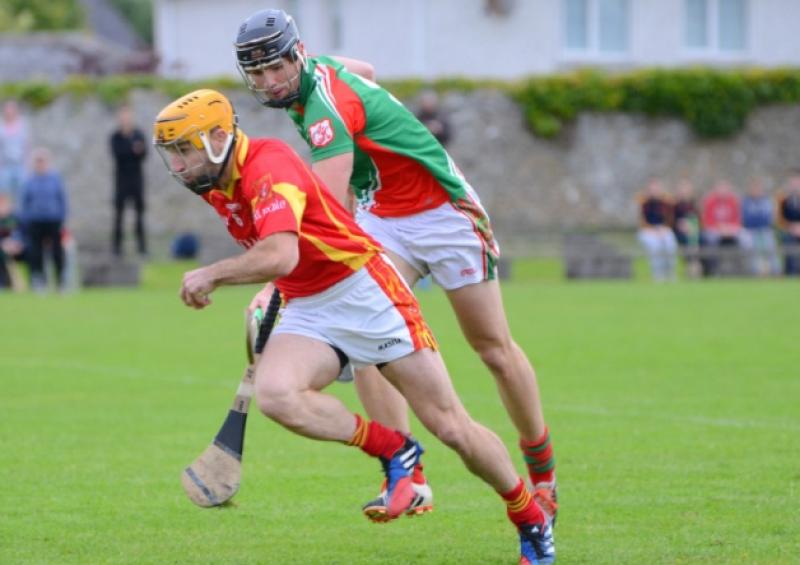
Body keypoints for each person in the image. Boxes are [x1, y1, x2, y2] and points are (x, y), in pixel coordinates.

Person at [152, 89, 555, 564]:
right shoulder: (217, 182)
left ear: (219, 138)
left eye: (185, 150)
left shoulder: (267, 165)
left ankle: (529, 517)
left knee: (451, 427)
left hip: (366, 291)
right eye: (172, 154)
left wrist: (213, 274)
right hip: (310, 303)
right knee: (278, 396)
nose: (179, 165)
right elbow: (290, 254)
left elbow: (281, 253)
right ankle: (395, 450)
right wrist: (273, 290)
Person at [234, 8, 559, 527]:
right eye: (257, 73)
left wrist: (279, 283)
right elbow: (364, 69)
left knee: (492, 348)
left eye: (275, 67)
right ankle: (408, 478)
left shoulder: (323, 112)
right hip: (383, 213)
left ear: (295, 55)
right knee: (369, 335)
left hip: (445, 213)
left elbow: (329, 209)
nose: (269, 81)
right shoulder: (313, 70)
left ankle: (542, 472)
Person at [18, 147, 68, 291]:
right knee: (36, 251)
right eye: (38, 161)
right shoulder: (29, 181)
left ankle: (60, 280)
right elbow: (25, 202)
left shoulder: (55, 179)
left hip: (53, 219)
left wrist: (62, 216)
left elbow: (62, 199)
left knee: (57, 251)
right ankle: (39, 280)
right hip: (35, 220)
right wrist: (27, 219)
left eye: (43, 161)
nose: (40, 164)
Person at [110, 105, 148, 257]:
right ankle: (117, 249)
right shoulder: (115, 137)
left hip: (136, 179)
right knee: (119, 215)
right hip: (121, 180)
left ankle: (142, 248)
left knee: (139, 215)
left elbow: (143, 154)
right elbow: (118, 154)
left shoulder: (139, 134)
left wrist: (135, 151)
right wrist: (132, 150)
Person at [700, 180, 744, 276]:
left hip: (730, 230)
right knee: (711, 240)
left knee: (745, 239)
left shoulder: (733, 201)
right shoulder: (710, 201)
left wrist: (730, 228)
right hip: (715, 230)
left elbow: (738, 220)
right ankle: (713, 269)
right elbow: (707, 221)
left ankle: (743, 269)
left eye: (725, 188)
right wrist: (720, 228)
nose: (723, 191)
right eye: (721, 188)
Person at [636, 177, 677, 281]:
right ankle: (658, 274)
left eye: (656, 188)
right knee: (655, 246)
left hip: (663, 229)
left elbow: (670, 219)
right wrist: (653, 230)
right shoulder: (643, 202)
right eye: (652, 188)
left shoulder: (666, 202)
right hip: (647, 231)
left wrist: (664, 228)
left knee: (670, 244)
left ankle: (670, 272)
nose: (654, 191)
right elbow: (641, 220)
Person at [741, 178, 780, 277]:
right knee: (752, 249)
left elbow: (768, 218)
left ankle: (776, 271)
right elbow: (746, 218)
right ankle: (754, 272)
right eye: (753, 188)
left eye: (758, 188)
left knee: (770, 246)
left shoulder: (767, 201)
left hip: (765, 230)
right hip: (749, 230)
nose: (756, 191)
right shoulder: (745, 202)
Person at [0, 100, 30, 207]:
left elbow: (26, 145)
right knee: (3, 194)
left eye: (11, 109)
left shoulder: (22, 125)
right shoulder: (1, 126)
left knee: (21, 194)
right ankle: (4, 219)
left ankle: (20, 219)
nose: (9, 112)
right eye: (7, 109)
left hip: (19, 165)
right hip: (5, 165)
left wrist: (26, 164)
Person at [671, 179, 701, 277]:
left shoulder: (694, 205)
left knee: (704, 240)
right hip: (678, 234)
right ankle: (690, 269)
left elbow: (699, 219)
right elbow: (671, 221)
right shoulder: (674, 205)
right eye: (682, 189)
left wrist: (692, 227)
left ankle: (705, 271)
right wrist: (680, 225)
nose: (685, 191)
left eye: (687, 188)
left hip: (694, 233)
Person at [776, 171, 800, 276]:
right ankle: (790, 274)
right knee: (788, 242)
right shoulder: (783, 198)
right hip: (789, 231)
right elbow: (779, 219)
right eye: (793, 182)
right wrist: (791, 227)